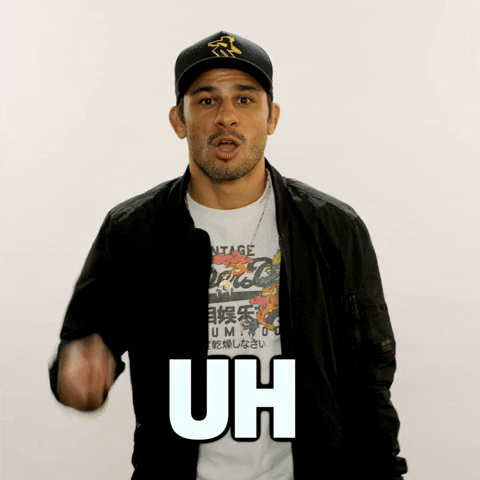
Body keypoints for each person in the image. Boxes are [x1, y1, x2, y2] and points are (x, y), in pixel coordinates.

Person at [49, 31, 408, 480]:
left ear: (272, 117)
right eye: (206, 101)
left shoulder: (332, 227)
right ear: (178, 120)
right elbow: (84, 348)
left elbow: (371, 374)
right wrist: (76, 376)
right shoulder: (134, 232)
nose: (226, 117)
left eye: (245, 99)